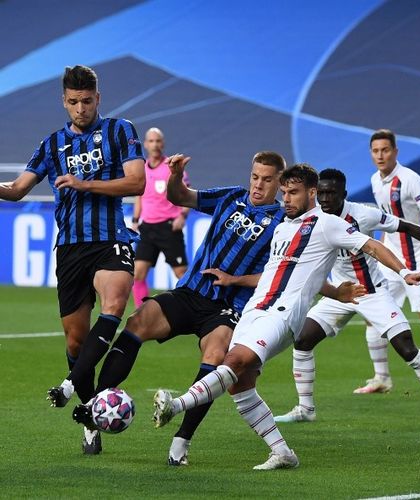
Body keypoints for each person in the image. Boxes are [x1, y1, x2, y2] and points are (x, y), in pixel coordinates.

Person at [151, 164, 420, 470]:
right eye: (284, 192)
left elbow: (373, 246)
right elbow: (281, 273)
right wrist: (334, 292)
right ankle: (282, 452)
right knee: (239, 385)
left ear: (312, 193)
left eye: (293, 193)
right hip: (255, 310)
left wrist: (404, 271)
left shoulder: (328, 224)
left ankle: (176, 405)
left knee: (233, 362)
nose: (286, 199)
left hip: (284, 314)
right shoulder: (283, 228)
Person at [72, 151, 323, 466]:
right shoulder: (230, 197)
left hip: (227, 308)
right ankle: (97, 407)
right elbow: (180, 197)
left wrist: (235, 279)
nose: (258, 185)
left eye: (268, 179)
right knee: (137, 322)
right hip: (190, 292)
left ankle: (181, 442)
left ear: (280, 183)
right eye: (255, 176)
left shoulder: (286, 223)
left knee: (216, 357)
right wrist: (175, 175)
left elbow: (281, 274)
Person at [0, 65, 145, 455]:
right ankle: (90, 415)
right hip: (70, 249)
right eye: (73, 102)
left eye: (87, 100)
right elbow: (15, 191)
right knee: (76, 341)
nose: (80, 108)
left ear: (98, 98)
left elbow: (137, 182)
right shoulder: (51, 145)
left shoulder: (120, 130)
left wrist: (85, 183)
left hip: (111, 238)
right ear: (64, 101)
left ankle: (70, 390)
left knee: (115, 304)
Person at [273, 168, 420, 428]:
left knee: (406, 347)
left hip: (372, 292)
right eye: (321, 193)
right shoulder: (310, 217)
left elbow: (407, 226)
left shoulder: (362, 214)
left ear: (344, 194)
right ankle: (305, 408)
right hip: (339, 293)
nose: (325, 199)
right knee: (302, 340)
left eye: (331, 193)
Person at [356, 129, 420, 394]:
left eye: (385, 150)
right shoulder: (375, 181)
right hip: (391, 262)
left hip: (417, 260)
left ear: (395, 152)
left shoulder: (410, 180)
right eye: (376, 151)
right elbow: (385, 219)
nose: (380, 155)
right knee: (374, 315)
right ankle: (382, 378)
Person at [130, 127, 190, 307]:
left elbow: (186, 194)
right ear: (146, 144)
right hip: (147, 228)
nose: (155, 144)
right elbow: (140, 197)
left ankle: (192, 308)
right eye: (151, 141)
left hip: (169, 227)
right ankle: (142, 314)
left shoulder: (171, 168)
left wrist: (183, 217)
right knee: (137, 274)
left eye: (158, 141)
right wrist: (135, 221)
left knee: (181, 273)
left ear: (162, 144)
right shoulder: (141, 169)